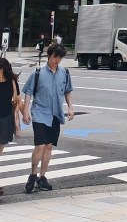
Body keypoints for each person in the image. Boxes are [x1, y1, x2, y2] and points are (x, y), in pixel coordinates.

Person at [21, 43, 74, 194]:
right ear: (49, 55)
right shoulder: (38, 73)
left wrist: (70, 108)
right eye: (55, 57)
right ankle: (32, 175)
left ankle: (42, 177)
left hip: (55, 114)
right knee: (39, 145)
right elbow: (28, 93)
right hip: (40, 113)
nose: (57, 60)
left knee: (49, 146)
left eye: (60, 58)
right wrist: (25, 112)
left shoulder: (65, 73)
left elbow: (68, 91)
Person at [0, 57, 21, 197]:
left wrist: (22, 116)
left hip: (5, 119)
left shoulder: (12, 82)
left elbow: (18, 101)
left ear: (2, 69)